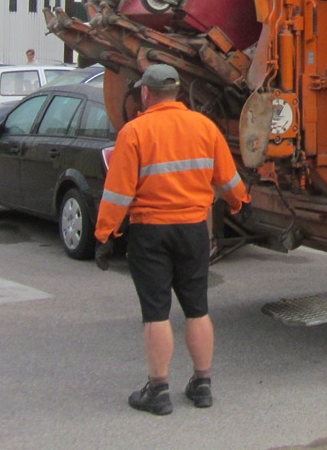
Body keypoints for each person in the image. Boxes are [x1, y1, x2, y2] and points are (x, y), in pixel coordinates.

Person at [94, 63, 250, 416]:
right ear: (178, 92)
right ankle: (203, 384)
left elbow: (118, 193)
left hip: (150, 231)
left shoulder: (134, 133)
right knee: (197, 308)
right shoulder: (204, 128)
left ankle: (159, 390)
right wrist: (239, 202)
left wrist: (104, 234)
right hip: (193, 229)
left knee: (156, 313)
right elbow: (228, 181)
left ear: (146, 94)